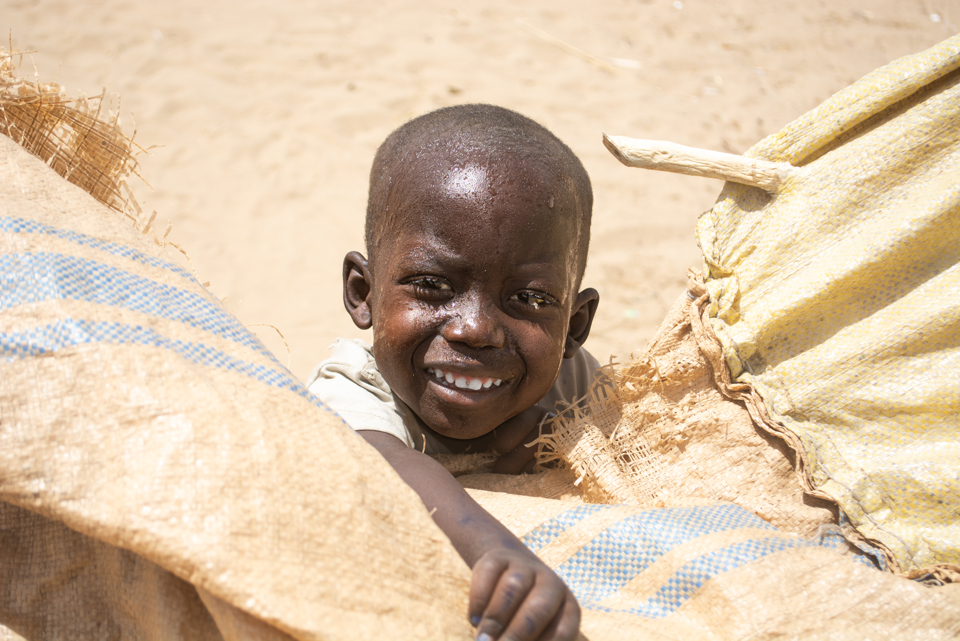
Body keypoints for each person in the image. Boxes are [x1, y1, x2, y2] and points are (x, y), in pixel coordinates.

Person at [306, 104, 600, 641]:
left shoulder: (573, 383)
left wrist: (561, 443)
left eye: (529, 298)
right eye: (431, 285)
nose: (475, 329)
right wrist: (496, 550)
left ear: (574, 328)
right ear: (363, 293)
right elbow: (381, 462)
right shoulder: (351, 385)